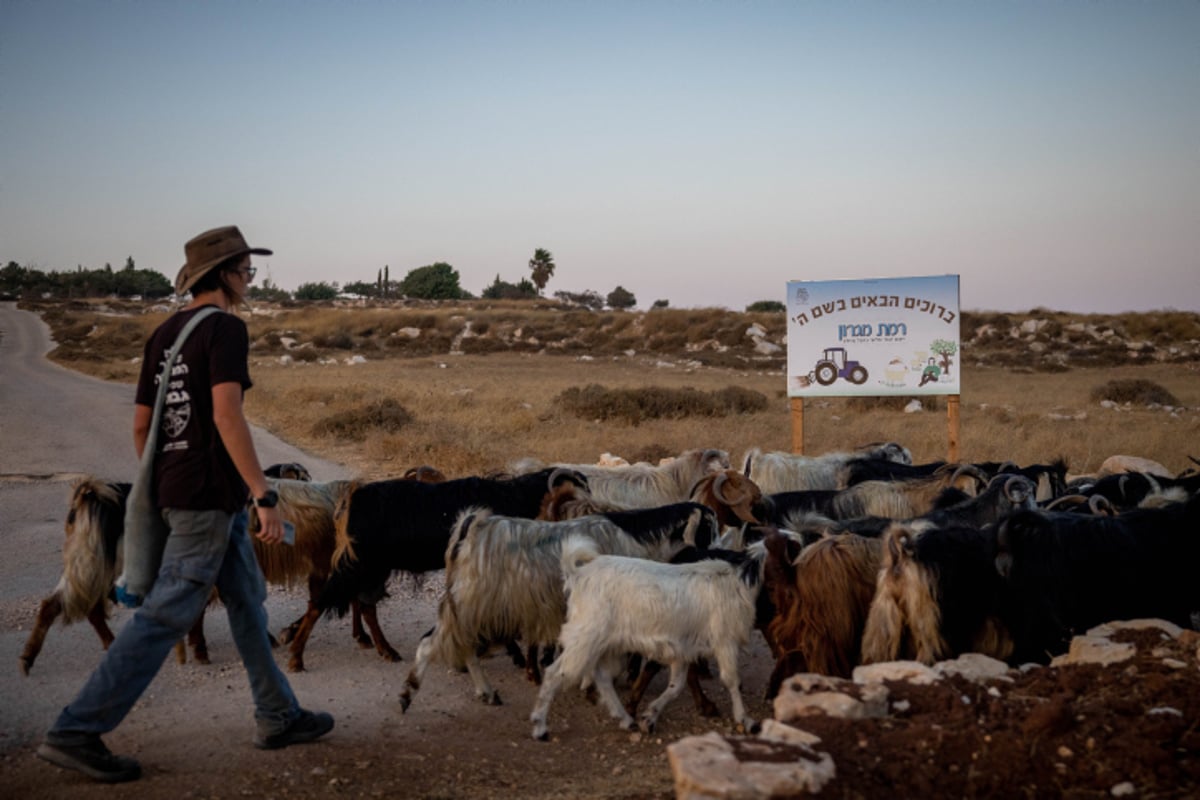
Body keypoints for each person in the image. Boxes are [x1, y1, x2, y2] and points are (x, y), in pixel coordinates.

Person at [37, 225, 333, 783]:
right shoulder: (224, 329)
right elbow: (227, 416)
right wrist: (264, 494)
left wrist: (169, 477)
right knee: (167, 614)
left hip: (185, 492)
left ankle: (279, 715)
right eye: (245, 268)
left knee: (247, 600)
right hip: (206, 500)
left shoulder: (164, 335)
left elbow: (143, 425)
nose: (250, 278)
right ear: (223, 274)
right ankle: (75, 729)